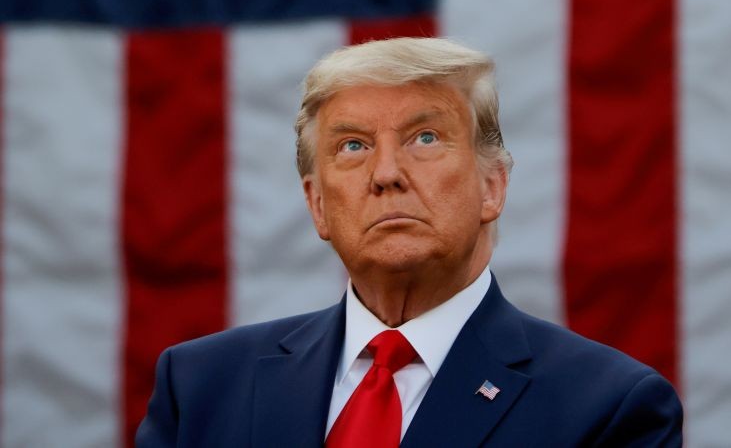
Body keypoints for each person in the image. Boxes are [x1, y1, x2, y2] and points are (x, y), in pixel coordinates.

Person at [136, 37, 683, 447]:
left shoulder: (609, 408)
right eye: (353, 146)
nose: (387, 173)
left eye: (426, 138)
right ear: (318, 204)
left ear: (492, 187)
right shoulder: (200, 388)